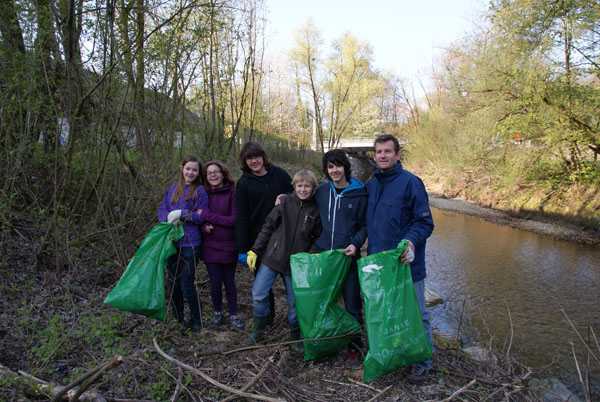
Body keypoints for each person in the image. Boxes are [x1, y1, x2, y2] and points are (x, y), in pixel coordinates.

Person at [366, 134, 435, 384]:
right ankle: (398, 353)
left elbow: (425, 222)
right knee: (389, 313)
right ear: (373, 156)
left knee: (417, 314)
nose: (383, 155)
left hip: (407, 263)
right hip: (380, 264)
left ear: (397, 155)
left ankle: (423, 362)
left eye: (388, 151)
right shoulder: (372, 184)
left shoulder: (411, 183)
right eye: (379, 152)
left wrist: (411, 242)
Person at [242, 169, 322, 347]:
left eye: (307, 186)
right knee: (258, 294)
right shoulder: (284, 202)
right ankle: (259, 331)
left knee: (294, 302)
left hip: (296, 264)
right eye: (299, 185)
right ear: (293, 186)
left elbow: (316, 239)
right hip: (273, 257)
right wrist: (255, 249)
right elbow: (268, 226)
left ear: (313, 188)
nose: (303, 189)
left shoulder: (315, 211)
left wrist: (307, 258)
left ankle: (295, 336)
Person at [313, 149, 367, 368]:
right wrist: (282, 198)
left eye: (338, 166)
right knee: (325, 303)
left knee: (353, 305)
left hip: (348, 259)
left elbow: (364, 225)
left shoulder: (360, 193)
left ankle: (354, 347)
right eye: (330, 167)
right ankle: (328, 341)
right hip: (325, 257)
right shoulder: (322, 191)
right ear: (326, 170)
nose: (335, 170)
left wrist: (356, 243)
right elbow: (302, 199)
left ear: (346, 167)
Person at [235, 141, 293, 324]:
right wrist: (244, 248)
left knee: (290, 283)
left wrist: (288, 197)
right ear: (245, 161)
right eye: (249, 158)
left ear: (263, 157)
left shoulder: (280, 175)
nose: (254, 161)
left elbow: (299, 193)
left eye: (256, 157)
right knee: (263, 286)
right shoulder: (243, 183)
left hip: (285, 238)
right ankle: (267, 320)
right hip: (258, 241)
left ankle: (296, 322)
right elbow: (241, 216)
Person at [158, 155, 208, 332]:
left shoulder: (200, 191)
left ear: (198, 172)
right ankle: (177, 318)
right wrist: (167, 218)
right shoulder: (172, 189)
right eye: (188, 168)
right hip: (172, 242)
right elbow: (163, 208)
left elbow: (201, 216)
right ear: (182, 169)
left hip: (190, 244)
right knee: (173, 283)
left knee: (187, 283)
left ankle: (196, 320)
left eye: (194, 170)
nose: (190, 172)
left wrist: (182, 213)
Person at [199, 160, 244, 330]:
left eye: (216, 171)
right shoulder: (204, 195)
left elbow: (233, 220)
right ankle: (217, 312)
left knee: (229, 282)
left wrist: (209, 216)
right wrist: (204, 227)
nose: (213, 175)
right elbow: (199, 218)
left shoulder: (233, 193)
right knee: (215, 282)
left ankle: (233, 314)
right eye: (209, 173)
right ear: (206, 177)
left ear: (223, 174)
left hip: (229, 245)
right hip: (210, 246)